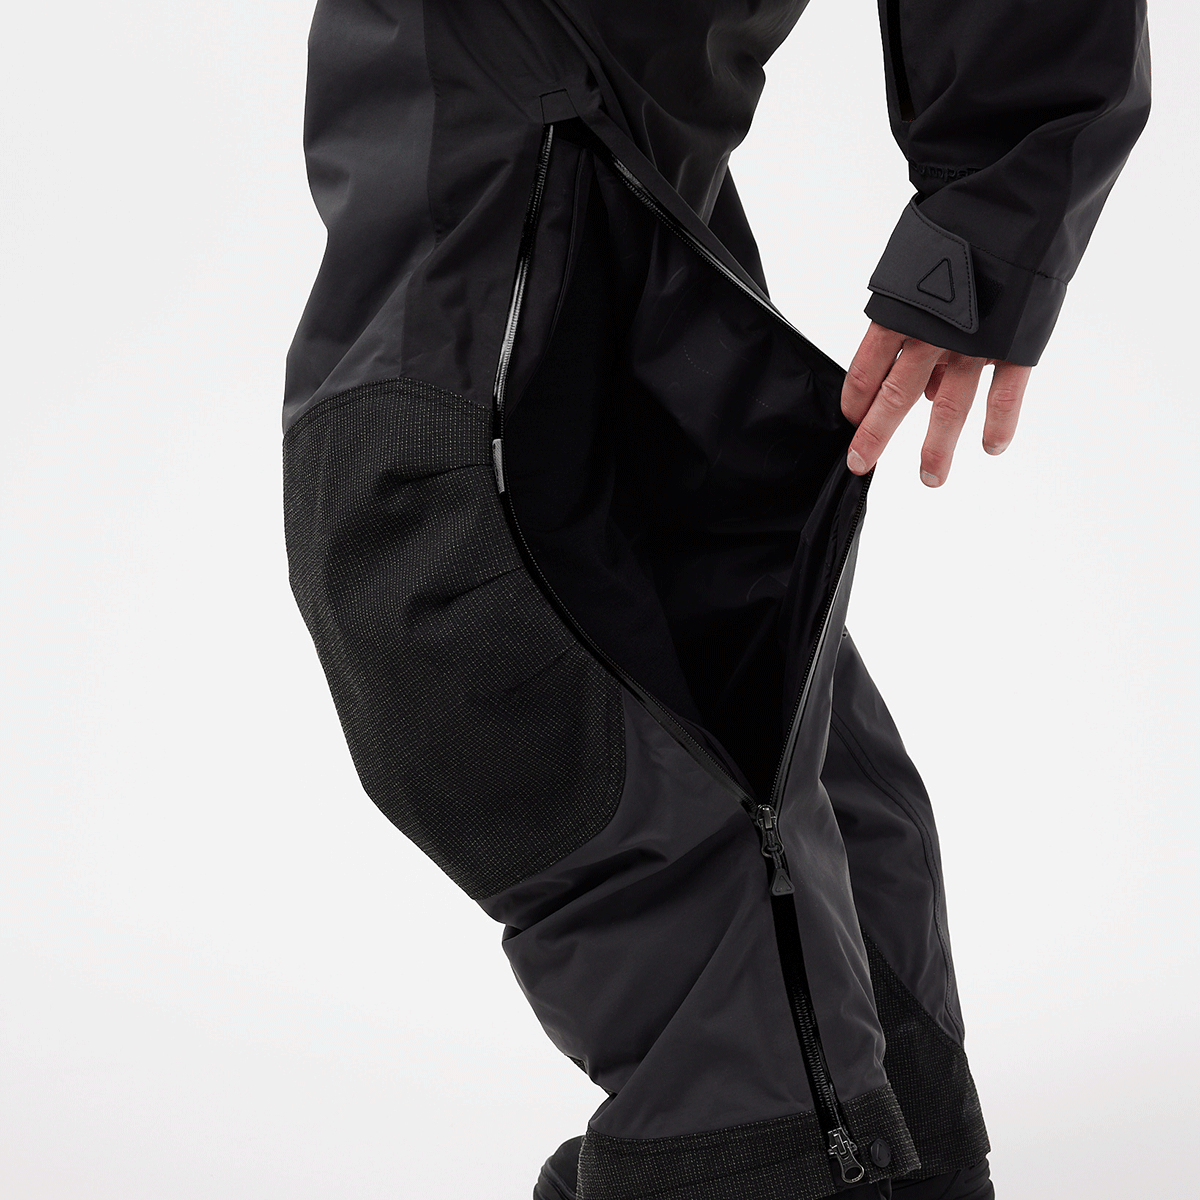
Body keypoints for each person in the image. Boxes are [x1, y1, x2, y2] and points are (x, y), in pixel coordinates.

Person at [281, 3, 1151, 1197]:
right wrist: (993, 212)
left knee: (446, 574)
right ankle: (880, 1149)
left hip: (529, 92)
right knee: (693, 632)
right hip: (561, 116)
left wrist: (996, 203)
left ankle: (773, 1148)